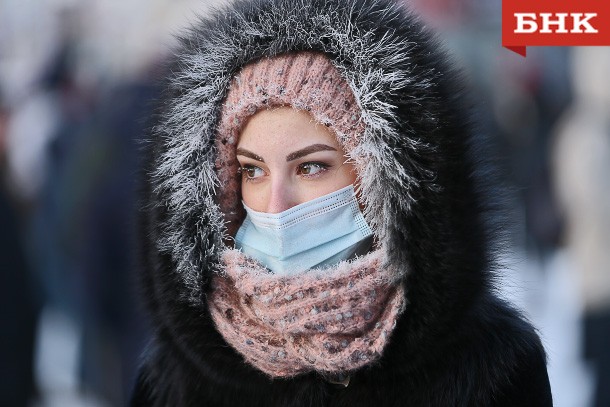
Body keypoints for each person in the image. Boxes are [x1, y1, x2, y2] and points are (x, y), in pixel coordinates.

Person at [132, 0, 552, 405]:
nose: (276, 206)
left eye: (311, 167)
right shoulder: (178, 373)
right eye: (253, 171)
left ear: (386, 180)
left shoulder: (493, 366)